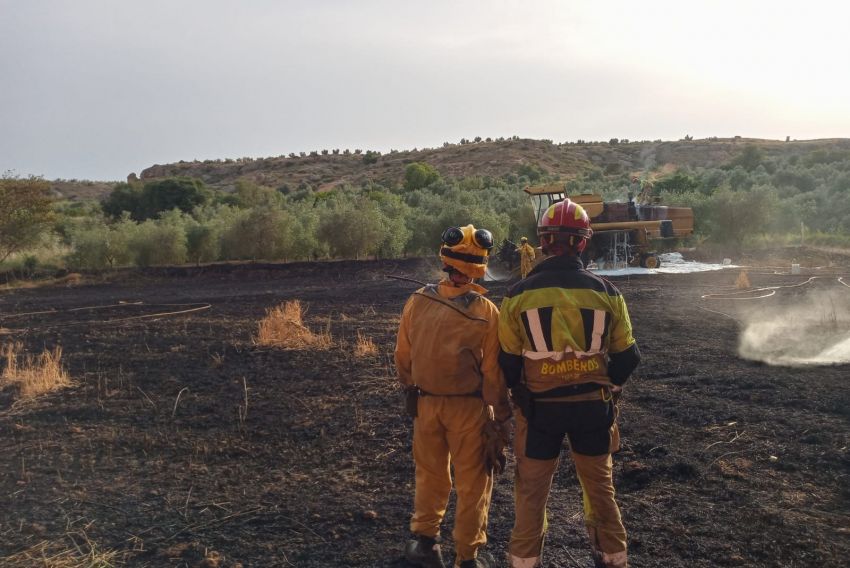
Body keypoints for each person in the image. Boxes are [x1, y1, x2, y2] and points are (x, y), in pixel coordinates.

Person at [497, 199, 641, 568]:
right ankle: (613, 558)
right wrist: (610, 386)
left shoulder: (516, 296)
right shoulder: (608, 293)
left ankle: (525, 562)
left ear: (544, 243)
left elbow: (508, 364)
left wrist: (519, 393)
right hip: (593, 409)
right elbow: (628, 357)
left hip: (539, 413)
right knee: (600, 490)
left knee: (530, 495)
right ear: (583, 242)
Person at [395, 224, 512, 568]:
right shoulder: (487, 312)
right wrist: (501, 415)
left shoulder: (417, 301)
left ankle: (426, 544)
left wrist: (411, 390)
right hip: (470, 410)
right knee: (474, 482)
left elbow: (403, 357)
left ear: (445, 259)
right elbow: (493, 374)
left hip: (426, 406)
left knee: (430, 474)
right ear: (480, 265)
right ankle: (467, 556)